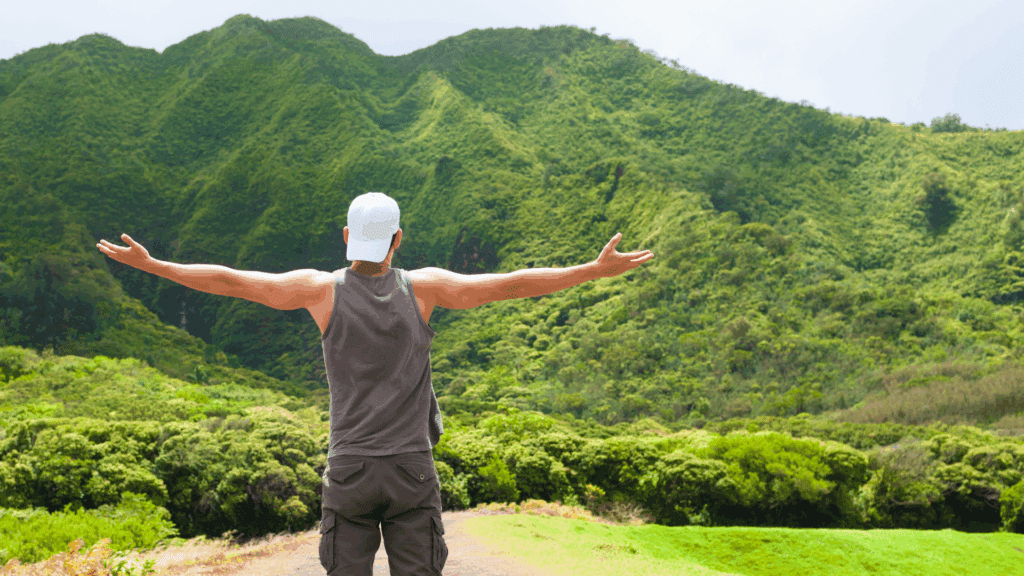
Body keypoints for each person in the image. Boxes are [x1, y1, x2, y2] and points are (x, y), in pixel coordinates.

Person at [95, 191, 654, 575]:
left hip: (350, 470)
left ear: (346, 236)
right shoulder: (426, 289)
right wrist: (590, 270)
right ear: (398, 239)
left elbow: (234, 282)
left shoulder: (319, 290)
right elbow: (510, 284)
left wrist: (157, 266)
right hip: (412, 468)